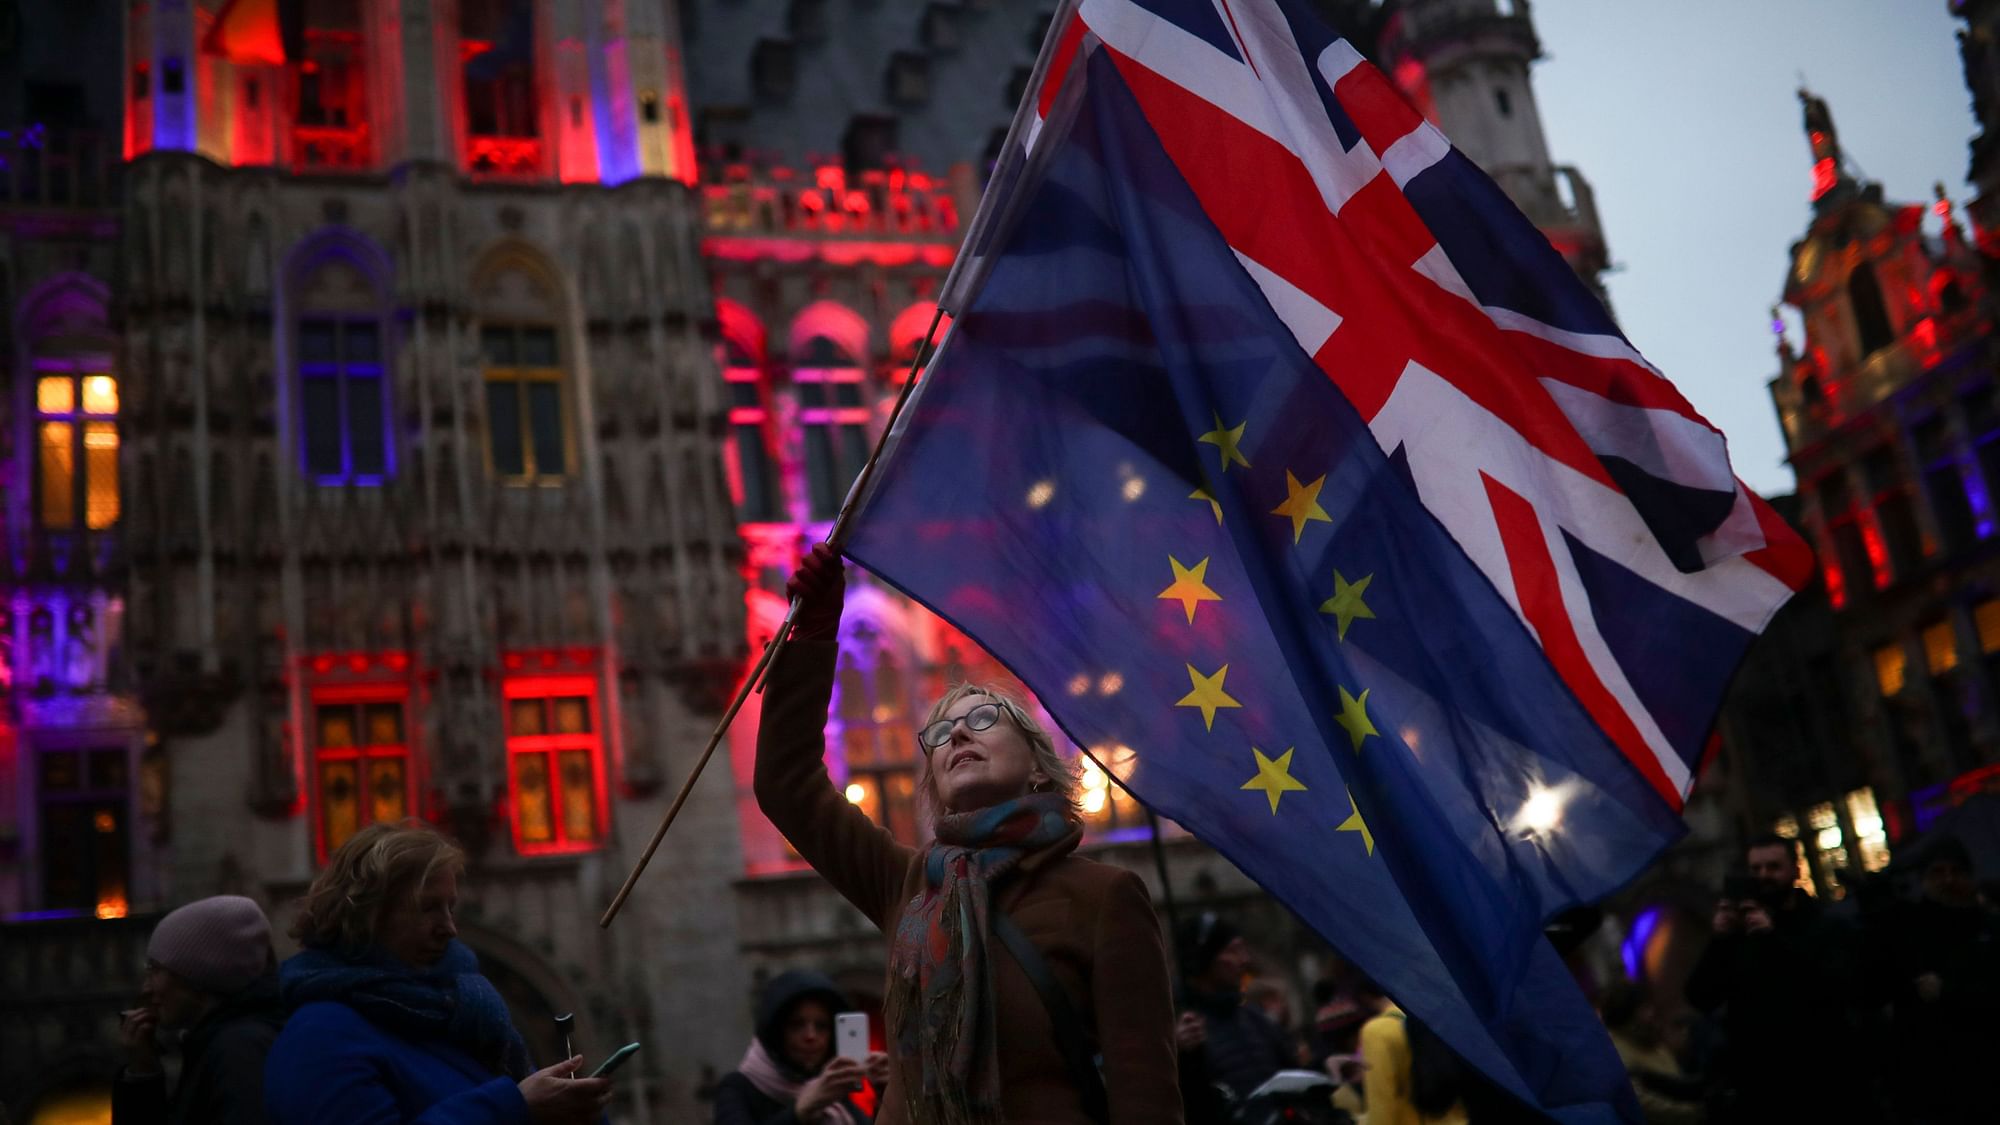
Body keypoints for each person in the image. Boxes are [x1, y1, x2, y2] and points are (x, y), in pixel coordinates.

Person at [757, 543, 1182, 1125]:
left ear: (1038, 764)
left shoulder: (1105, 897)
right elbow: (786, 785)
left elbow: (1146, 1094)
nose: (958, 736)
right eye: (941, 734)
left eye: (983, 720)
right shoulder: (909, 884)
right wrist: (812, 638)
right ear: (931, 781)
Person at [264, 821, 612, 1124]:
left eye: (450, 907)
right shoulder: (320, 1037)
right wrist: (514, 1107)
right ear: (367, 915)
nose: (449, 928)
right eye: (428, 908)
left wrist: (570, 1110)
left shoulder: (461, 1015)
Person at [1683, 834, 1859, 1122]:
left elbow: (1832, 987)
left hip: (1824, 1079)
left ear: (1796, 870)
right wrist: (1720, 940)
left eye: (1774, 867)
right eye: (1756, 869)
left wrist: (1773, 938)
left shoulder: (1824, 925)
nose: (1764, 876)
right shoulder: (1739, 936)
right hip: (1762, 1091)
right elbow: (1700, 996)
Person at [113, 894, 285, 1124]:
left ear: (198, 975)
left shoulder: (239, 1052)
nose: (146, 988)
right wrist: (143, 1073)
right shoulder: (221, 1044)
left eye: (155, 969)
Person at [1874, 835, 2000, 1123]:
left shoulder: (1989, 929)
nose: (1948, 880)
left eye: (1956, 872)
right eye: (1938, 872)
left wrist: (1952, 992)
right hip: (1933, 1081)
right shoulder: (1907, 931)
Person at [713, 970, 891, 1124]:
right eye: (797, 1025)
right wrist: (800, 1112)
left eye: (821, 1026)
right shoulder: (738, 1088)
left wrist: (887, 1096)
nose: (811, 1036)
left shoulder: (832, 1095)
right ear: (776, 1032)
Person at [1173, 912, 1295, 1123]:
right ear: (1205, 960)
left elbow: (1296, 1080)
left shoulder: (1258, 1019)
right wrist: (1180, 1056)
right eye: (1233, 951)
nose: (1245, 959)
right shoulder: (1181, 1030)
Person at [1597, 983, 1703, 1125]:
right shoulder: (1617, 1052)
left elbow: (1675, 1079)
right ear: (1630, 1013)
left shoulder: (1648, 1041)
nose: (1651, 1013)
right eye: (1644, 1008)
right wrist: (1694, 1112)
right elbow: (1641, 1102)